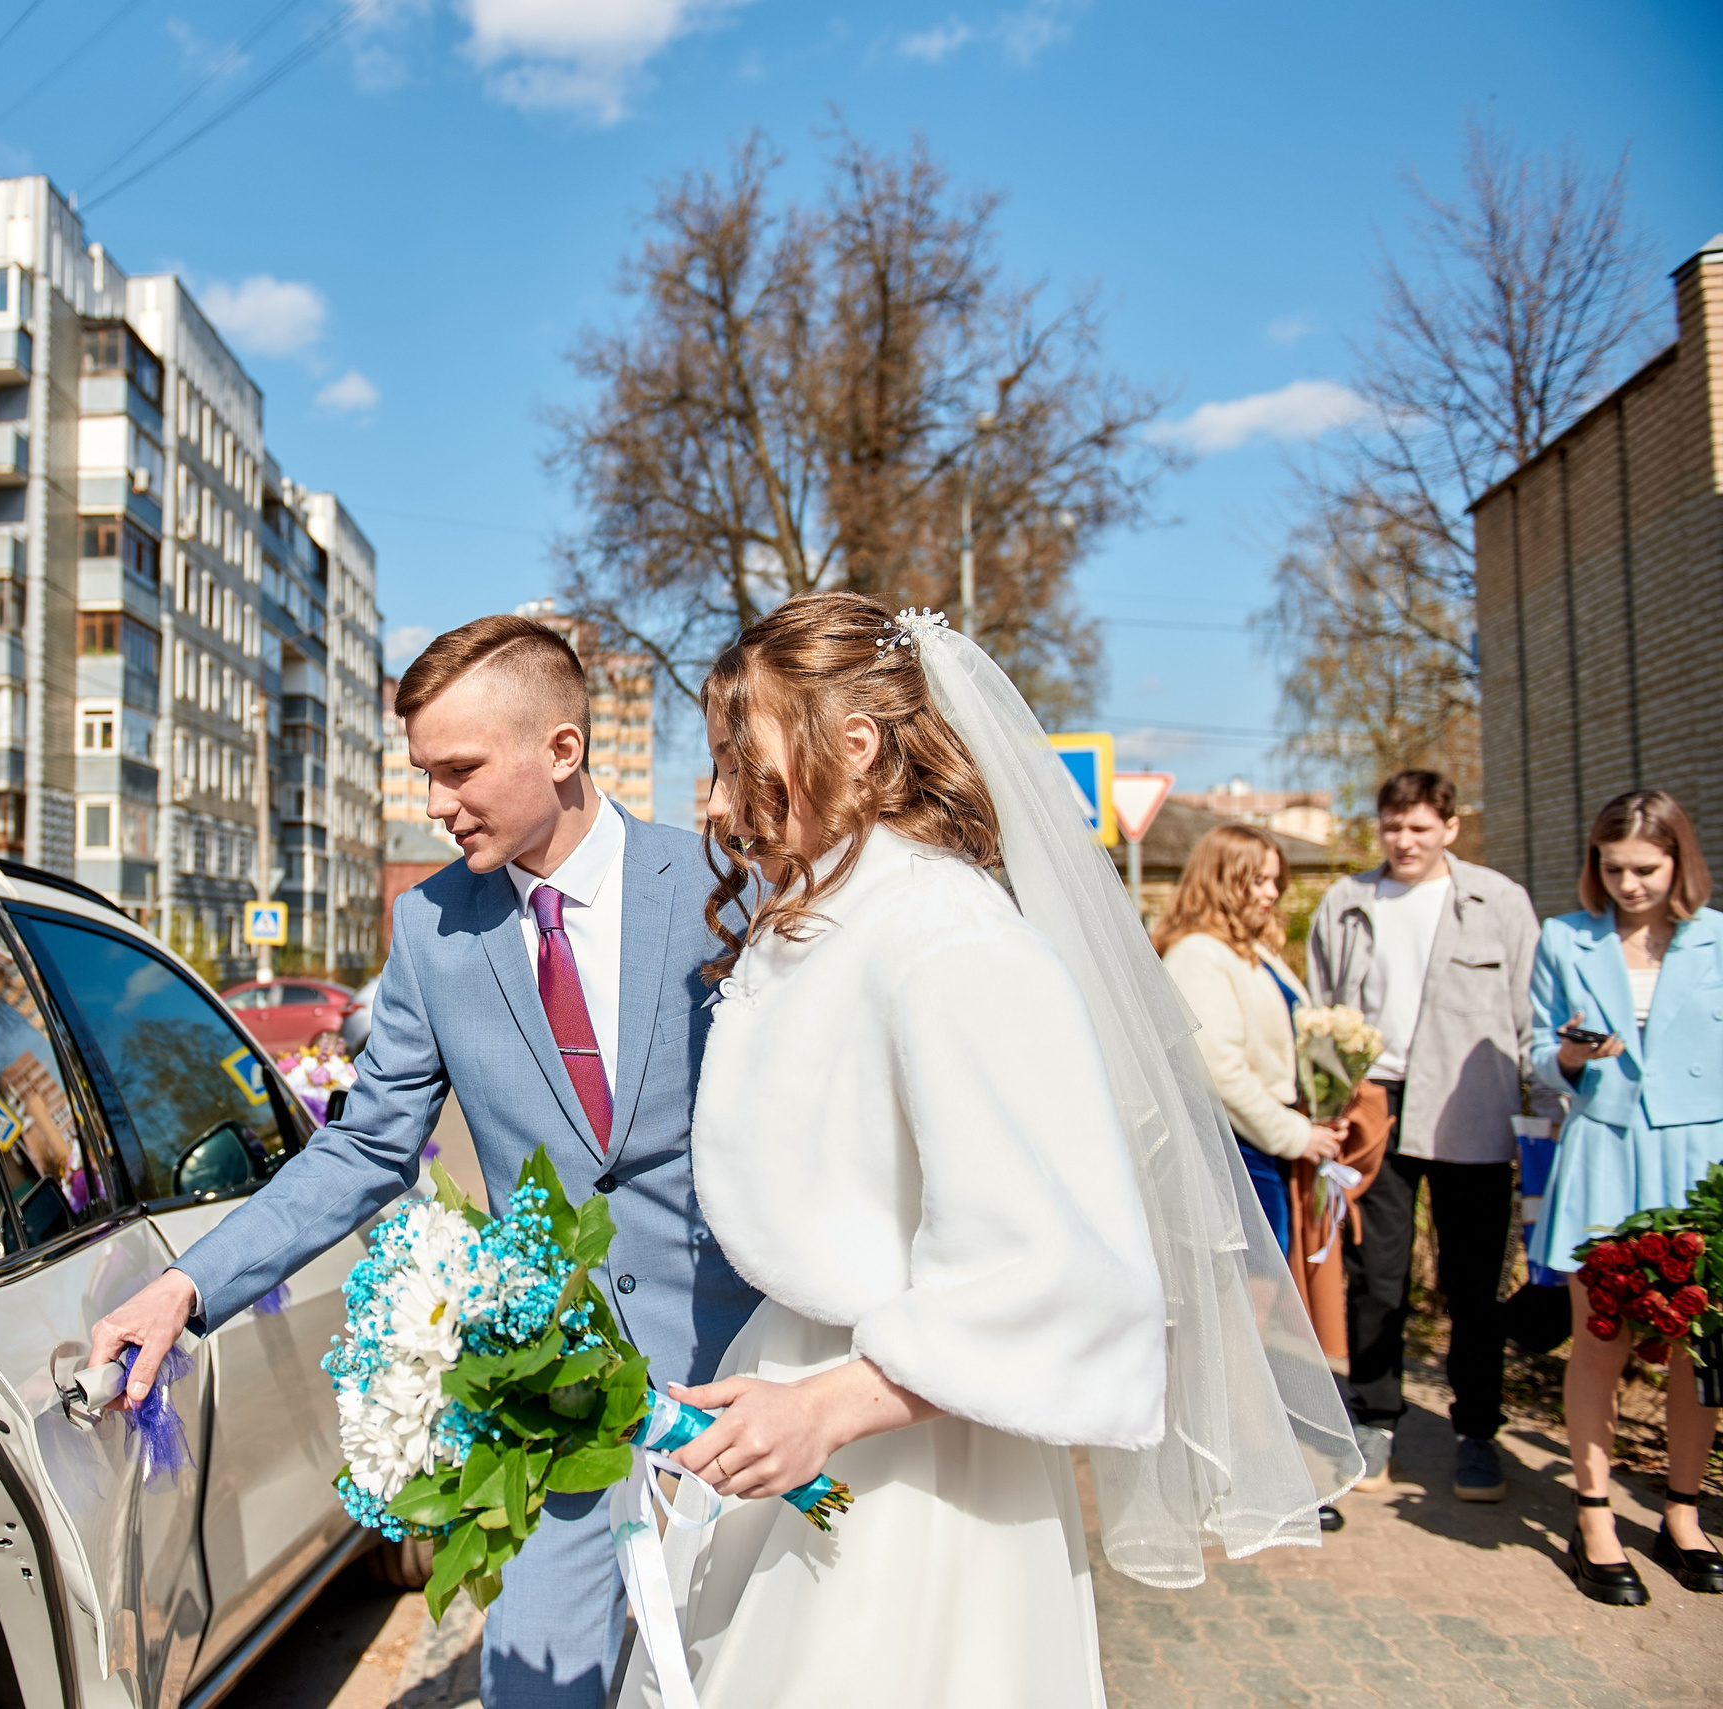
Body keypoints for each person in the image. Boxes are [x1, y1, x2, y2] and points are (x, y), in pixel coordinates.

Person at [620, 594, 1355, 1708]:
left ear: (854, 745)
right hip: (800, 1393)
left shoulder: (950, 939)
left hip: (918, 1456)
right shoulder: (823, 918)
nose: (717, 804)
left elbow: (1060, 1270)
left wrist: (825, 1407)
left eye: (738, 759)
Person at [88, 613, 762, 1709]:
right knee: (535, 1689)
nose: (435, 804)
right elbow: (363, 1145)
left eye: (460, 770)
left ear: (562, 747)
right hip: (555, 1393)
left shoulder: (722, 884)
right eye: (424, 775)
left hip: (743, 1377)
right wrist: (186, 1285)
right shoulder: (430, 926)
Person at [1305, 770, 1538, 1504]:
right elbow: (1318, 1010)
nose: (1404, 841)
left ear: (1450, 827)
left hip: (1471, 1109)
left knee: (1473, 1280)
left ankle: (1478, 1432)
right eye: (1392, 827)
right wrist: (1325, 1100)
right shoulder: (1347, 902)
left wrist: (1538, 1115)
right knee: (1378, 1276)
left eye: (1419, 828)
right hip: (1375, 1105)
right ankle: (1376, 1418)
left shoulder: (1499, 901)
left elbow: (1527, 1012)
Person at [1529, 789, 1723, 1604]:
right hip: (1604, 1157)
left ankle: (1682, 1512)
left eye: (1645, 868)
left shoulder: (1718, 938)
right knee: (1599, 1344)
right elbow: (1537, 1052)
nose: (1629, 885)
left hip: (1697, 1161)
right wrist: (1570, 1058)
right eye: (1613, 870)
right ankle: (1595, 1516)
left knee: (1697, 1348)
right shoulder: (1564, 937)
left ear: (1679, 860)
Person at [1155, 825, 1347, 1253]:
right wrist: (1293, 1134)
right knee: (1259, 1283)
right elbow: (1217, 1071)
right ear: (1221, 880)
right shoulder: (1198, 954)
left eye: (1275, 881)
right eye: (1258, 880)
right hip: (1241, 1148)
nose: (1272, 893)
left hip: (1268, 1140)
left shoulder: (1253, 949)